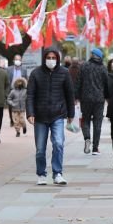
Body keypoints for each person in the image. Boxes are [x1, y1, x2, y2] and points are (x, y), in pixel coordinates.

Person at [27, 48, 75, 185]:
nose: (51, 60)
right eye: (49, 57)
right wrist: (30, 113)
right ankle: (41, 174)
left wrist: (71, 114)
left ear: (58, 59)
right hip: (40, 116)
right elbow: (30, 95)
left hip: (58, 115)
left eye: (54, 58)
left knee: (58, 143)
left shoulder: (64, 73)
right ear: (44, 58)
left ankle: (57, 173)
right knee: (40, 149)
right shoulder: (36, 73)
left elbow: (69, 94)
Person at [75, 48, 108, 156]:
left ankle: (87, 138)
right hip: (99, 99)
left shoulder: (83, 66)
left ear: (92, 55)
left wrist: (76, 97)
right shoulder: (103, 68)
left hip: (86, 98)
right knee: (97, 122)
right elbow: (107, 84)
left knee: (85, 120)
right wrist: (107, 97)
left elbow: (78, 82)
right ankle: (95, 147)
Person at [6, 54, 28, 131]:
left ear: (21, 61)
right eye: (16, 59)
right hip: (11, 89)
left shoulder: (24, 69)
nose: (17, 61)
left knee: (21, 105)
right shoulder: (9, 69)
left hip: (21, 89)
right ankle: (12, 120)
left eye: (19, 59)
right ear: (13, 60)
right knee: (11, 106)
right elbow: (7, 79)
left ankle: (22, 121)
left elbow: (26, 79)